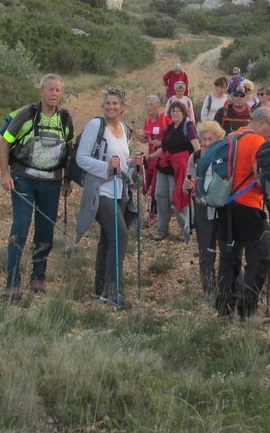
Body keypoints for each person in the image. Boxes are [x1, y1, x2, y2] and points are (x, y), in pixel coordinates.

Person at [0, 73, 74, 298]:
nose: (55, 94)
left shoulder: (65, 119)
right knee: (20, 227)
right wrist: (4, 174)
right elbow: (4, 143)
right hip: (23, 179)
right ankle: (12, 282)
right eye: (50, 89)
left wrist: (68, 179)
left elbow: (69, 152)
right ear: (41, 91)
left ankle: (38, 278)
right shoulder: (26, 115)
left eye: (58, 90)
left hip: (52, 182)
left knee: (45, 231)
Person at [74, 87, 143, 308]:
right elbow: (81, 158)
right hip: (100, 190)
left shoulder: (123, 128)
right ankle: (112, 292)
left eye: (115, 103)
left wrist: (132, 163)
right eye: (108, 103)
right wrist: (106, 166)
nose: (111, 107)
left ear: (123, 107)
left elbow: (120, 161)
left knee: (107, 238)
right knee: (120, 237)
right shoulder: (96, 126)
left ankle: (100, 287)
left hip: (119, 190)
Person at [214, 107, 270, 322]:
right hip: (248, 206)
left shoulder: (234, 136)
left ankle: (224, 310)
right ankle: (247, 311)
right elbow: (260, 179)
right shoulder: (256, 142)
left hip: (225, 204)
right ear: (261, 123)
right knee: (259, 258)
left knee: (228, 257)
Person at [184, 120, 225, 294]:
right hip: (202, 207)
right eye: (203, 139)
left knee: (226, 249)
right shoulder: (195, 157)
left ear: (219, 139)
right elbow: (187, 186)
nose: (206, 143)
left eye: (211, 139)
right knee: (206, 251)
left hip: (222, 207)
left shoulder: (225, 156)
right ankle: (209, 291)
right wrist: (187, 186)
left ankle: (226, 287)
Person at [150, 101, 200, 241]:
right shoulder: (171, 127)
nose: (175, 113)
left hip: (179, 169)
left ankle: (186, 232)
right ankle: (162, 229)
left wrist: (197, 166)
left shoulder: (188, 127)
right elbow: (164, 147)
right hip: (164, 167)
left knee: (177, 198)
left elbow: (197, 148)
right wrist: (150, 157)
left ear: (184, 113)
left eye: (178, 111)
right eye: (172, 111)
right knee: (160, 196)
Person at [131, 95, 170, 224]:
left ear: (158, 105)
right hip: (151, 158)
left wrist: (160, 142)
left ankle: (153, 215)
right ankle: (152, 212)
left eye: (151, 105)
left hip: (164, 158)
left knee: (155, 187)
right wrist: (134, 133)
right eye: (147, 105)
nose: (149, 108)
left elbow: (172, 138)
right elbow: (145, 139)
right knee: (147, 186)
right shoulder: (147, 120)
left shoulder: (165, 119)